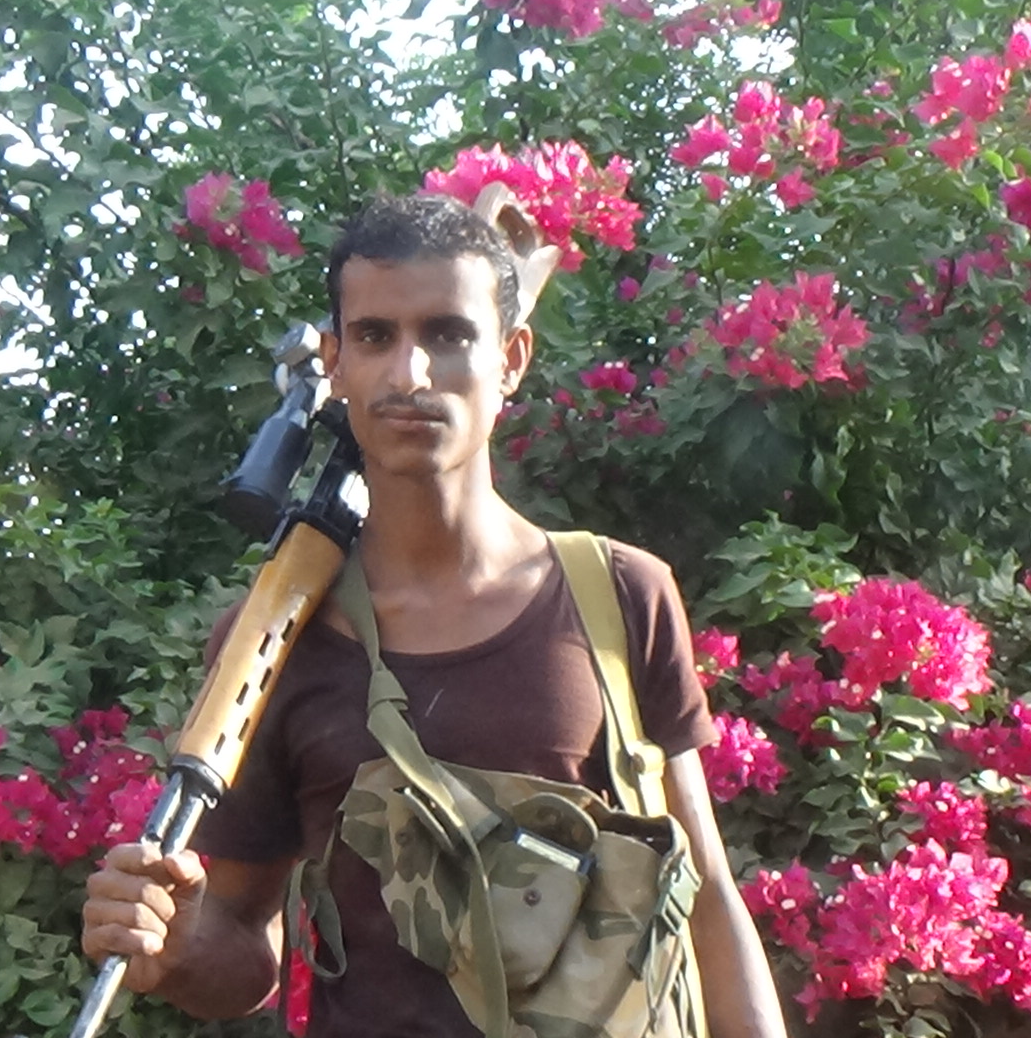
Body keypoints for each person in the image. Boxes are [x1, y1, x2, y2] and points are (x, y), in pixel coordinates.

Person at [80, 192, 787, 1038]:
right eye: (376, 337)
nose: (410, 374)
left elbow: (706, 894)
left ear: (512, 358)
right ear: (336, 363)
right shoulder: (270, 642)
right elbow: (241, 944)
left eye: (448, 334)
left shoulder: (619, 594)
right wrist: (176, 946)